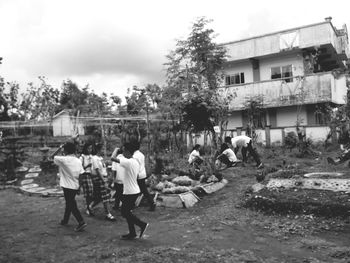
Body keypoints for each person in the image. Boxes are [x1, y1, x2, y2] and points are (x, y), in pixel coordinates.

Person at [112, 142, 149, 240]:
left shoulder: (128, 162)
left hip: (130, 192)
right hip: (132, 190)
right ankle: (132, 233)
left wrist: (116, 150)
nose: (122, 152)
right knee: (127, 212)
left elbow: (112, 158)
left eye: (124, 150)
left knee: (125, 212)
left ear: (128, 151)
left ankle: (142, 225)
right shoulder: (134, 161)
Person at [51, 142, 87, 232]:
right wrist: (79, 187)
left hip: (67, 186)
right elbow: (82, 174)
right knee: (69, 203)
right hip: (75, 186)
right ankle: (65, 220)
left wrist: (59, 148)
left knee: (71, 204)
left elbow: (51, 156)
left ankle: (81, 221)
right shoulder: (78, 160)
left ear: (65, 150)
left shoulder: (63, 160)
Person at [89, 143, 116, 221]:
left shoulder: (100, 158)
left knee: (100, 197)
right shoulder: (94, 158)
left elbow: (103, 169)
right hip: (99, 179)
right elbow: (97, 170)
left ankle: (90, 207)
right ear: (98, 150)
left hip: (103, 177)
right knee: (105, 197)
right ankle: (108, 213)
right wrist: (103, 180)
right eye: (102, 149)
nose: (103, 151)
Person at [132, 141, 156, 211]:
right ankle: (152, 203)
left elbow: (135, 166)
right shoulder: (141, 154)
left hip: (137, 174)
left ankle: (132, 204)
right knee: (143, 190)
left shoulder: (134, 156)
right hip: (142, 174)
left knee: (135, 189)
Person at [79, 142, 94, 216]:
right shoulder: (82, 157)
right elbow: (80, 168)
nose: (90, 150)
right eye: (89, 148)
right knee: (89, 193)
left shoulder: (91, 156)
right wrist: (88, 165)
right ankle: (88, 207)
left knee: (92, 192)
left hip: (92, 175)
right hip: (85, 175)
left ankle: (89, 206)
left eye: (91, 148)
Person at [111, 146, 124, 210]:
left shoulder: (116, 159)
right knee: (120, 193)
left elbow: (114, 170)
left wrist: (113, 180)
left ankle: (124, 205)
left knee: (119, 193)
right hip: (125, 179)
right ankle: (116, 205)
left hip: (118, 179)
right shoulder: (125, 159)